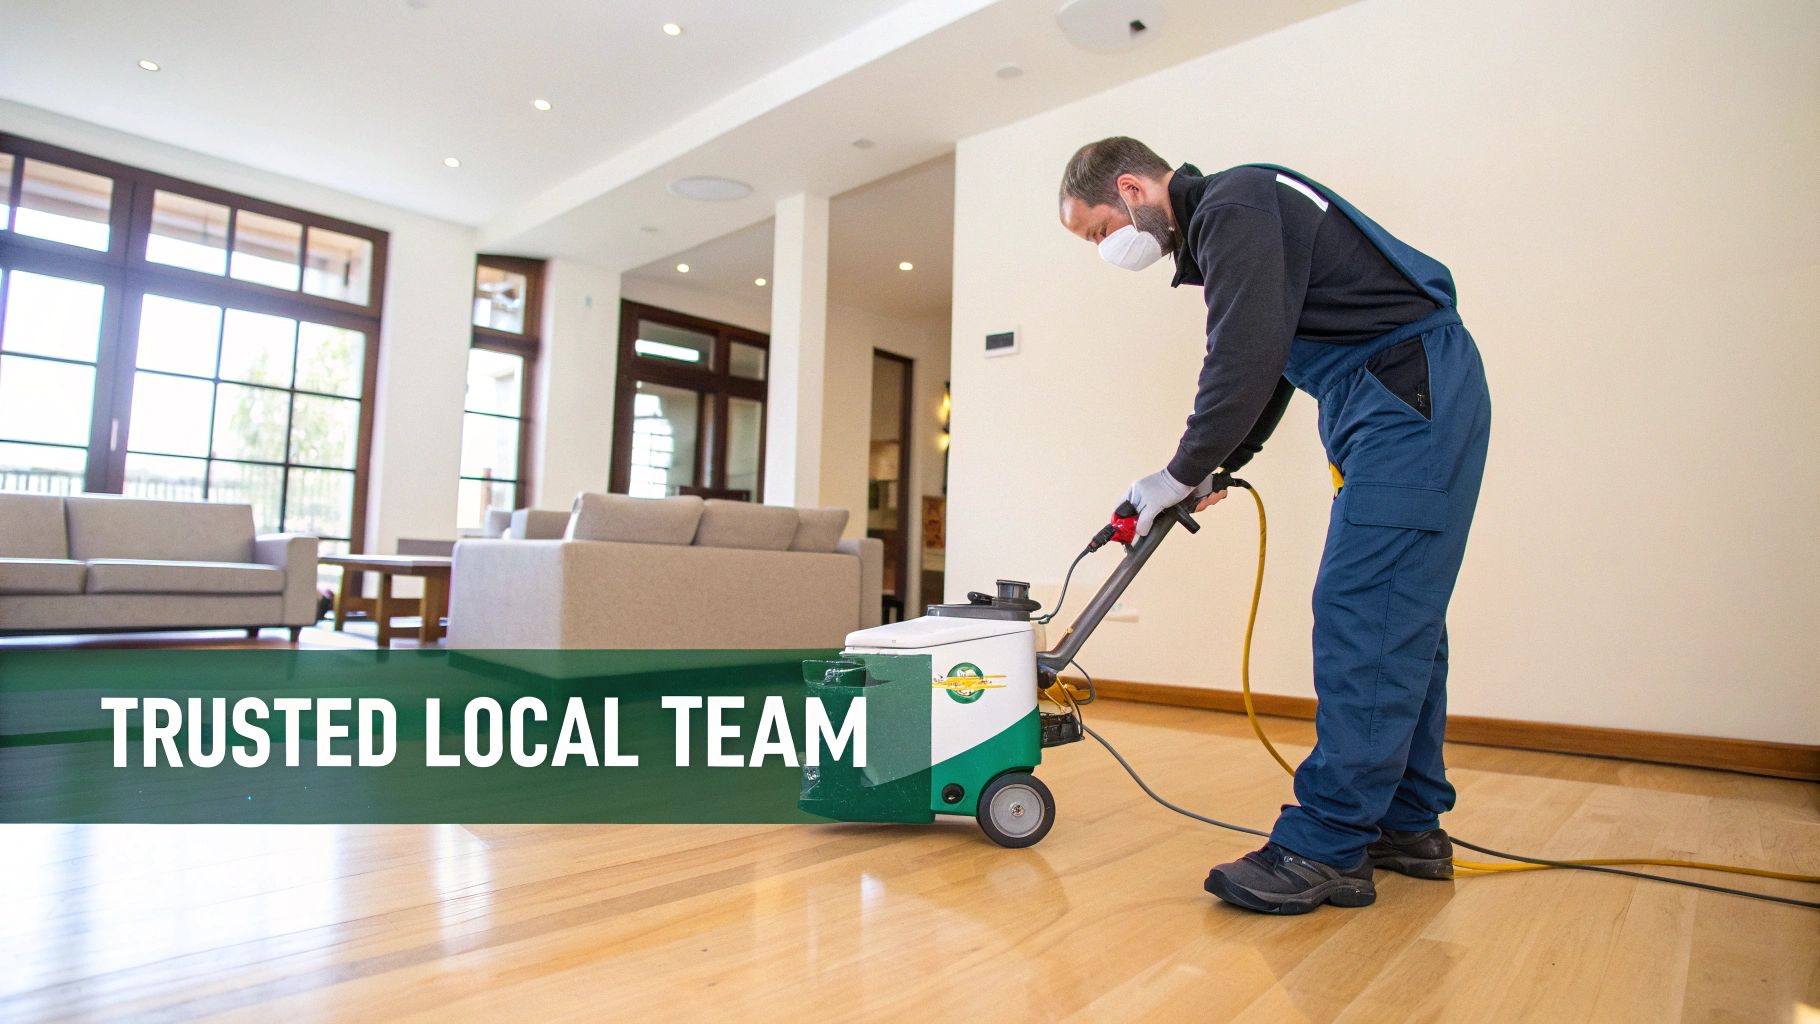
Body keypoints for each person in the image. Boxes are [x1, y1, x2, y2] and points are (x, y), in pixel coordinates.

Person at [1058, 137, 1492, 914]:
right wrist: (1215, 466)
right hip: (1385, 397)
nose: (1105, 249)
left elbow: (1244, 355)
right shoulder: (1236, 218)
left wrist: (1182, 469)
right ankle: (1407, 824)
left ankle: (1325, 844)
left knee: (1367, 608)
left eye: (1097, 230)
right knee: (1400, 613)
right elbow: (1272, 370)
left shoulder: (1236, 203)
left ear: (1130, 188)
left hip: (1404, 390)